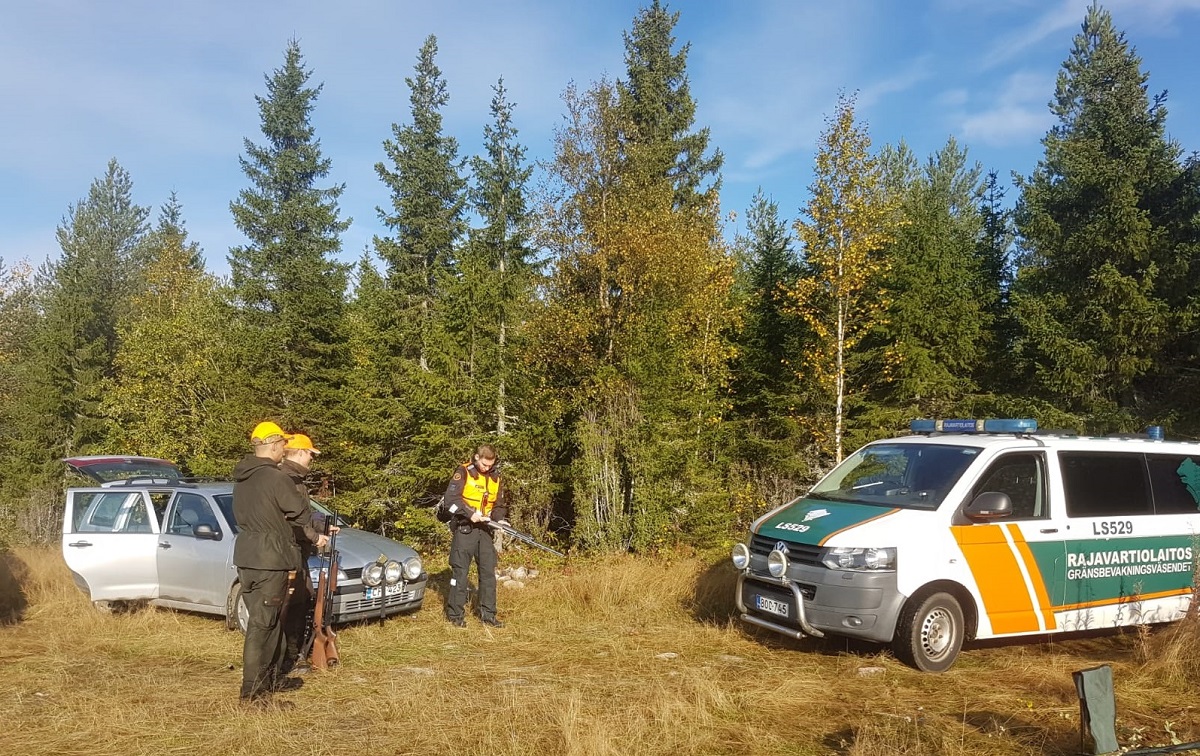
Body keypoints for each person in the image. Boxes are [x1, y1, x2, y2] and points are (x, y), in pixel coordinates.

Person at [232, 421, 329, 708]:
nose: (284, 448)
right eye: (283, 444)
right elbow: (300, 514)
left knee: (267, 624)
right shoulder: (276, 479)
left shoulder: (242, 478)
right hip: (270, 560)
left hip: (247, 557)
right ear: (274, 446)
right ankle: (253, 694)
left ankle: (270, 680)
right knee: (263, 627)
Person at [278, 433, 330, 676]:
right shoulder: (287, 479)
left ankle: (294, 656)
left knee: (301, 601)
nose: (311, 458)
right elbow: (292, 520)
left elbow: (304, 515)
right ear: (298, 453)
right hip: (290, 553)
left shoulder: (294, 479)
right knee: (292, 605)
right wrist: (315, 536)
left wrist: (322, 527)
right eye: (310, 453)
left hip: (296, 551)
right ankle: (288, 660)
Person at [443, 444, 508, 628]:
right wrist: (469, 513)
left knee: (488, 573)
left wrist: (500, 520)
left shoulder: (495, 477)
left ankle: (488, 615)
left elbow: (499, 505)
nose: (487, 468)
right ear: (476, 457)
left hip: (485, 531)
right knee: (460, 572)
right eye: (485, 464)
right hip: (465, 529)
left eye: (490, 465)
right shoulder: (463, 472)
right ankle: (455, 616)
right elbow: (451, 501)